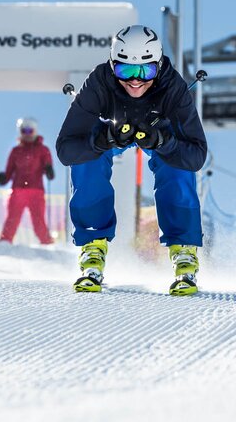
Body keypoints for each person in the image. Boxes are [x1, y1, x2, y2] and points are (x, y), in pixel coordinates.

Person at [56, 25, 208, 295]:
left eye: (145, 71)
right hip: (111, 132)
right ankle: (93, 245)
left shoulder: (173, 89)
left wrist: (163, 141)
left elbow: (196, 156)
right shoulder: (99, 84)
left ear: (158, 67)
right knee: (87, 157)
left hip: (158, 134)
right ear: (112, 65)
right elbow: (66, 149)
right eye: (125, 71)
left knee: (176, 164)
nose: (135, 80)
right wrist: (100, 141)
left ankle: (183, 251)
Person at [0, 117, 56, 246]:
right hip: (18, 191)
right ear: (20, 132)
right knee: (12, 219)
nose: (27, 134)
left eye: (30, 131)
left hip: (36, 191)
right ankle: (4, 243)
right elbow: (9, 172)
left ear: (35, 131)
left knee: (38, 221)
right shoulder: (16, 151)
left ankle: (47, 244)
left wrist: (49, 170)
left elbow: (48, 168)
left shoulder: (43, 150)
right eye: (24, 131)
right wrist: (3, 178)